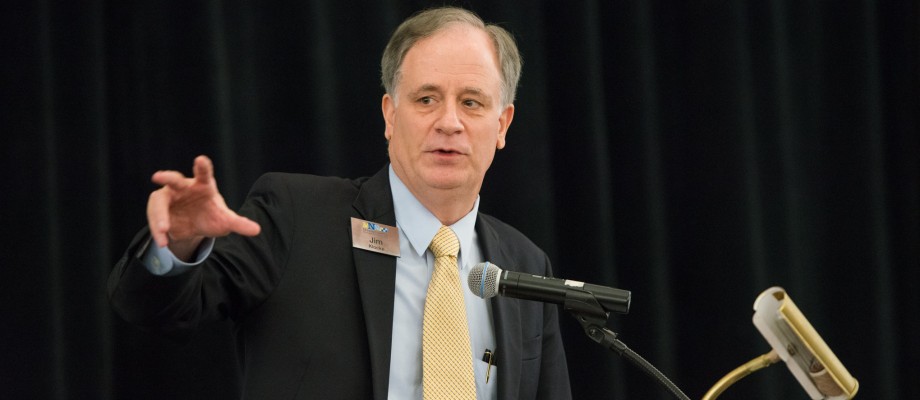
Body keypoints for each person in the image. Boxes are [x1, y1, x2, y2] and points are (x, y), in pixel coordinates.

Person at [109, 6, 572, 399]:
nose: (449, 122)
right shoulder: (297, 218)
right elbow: (156, 310)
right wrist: (179, 244)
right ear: (390, 115)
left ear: (502, 124)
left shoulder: (525, 264)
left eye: (471, 103)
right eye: (426, 99)